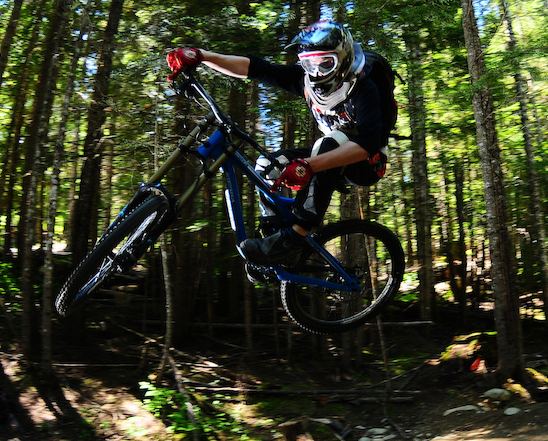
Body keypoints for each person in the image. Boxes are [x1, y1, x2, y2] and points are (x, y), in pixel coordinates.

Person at [165, 21, 392, 267]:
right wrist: (201, 56)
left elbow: (366, 144)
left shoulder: (363, 87)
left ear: (344, 58)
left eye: (326, 63)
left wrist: (309, 165)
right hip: (330, 153)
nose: (317, 72)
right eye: (310, 64)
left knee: (327, 144)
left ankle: (293, 240)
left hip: (367, 163)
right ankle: (276, 234)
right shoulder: (306, 81)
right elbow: (256, 69)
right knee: (267, 165)